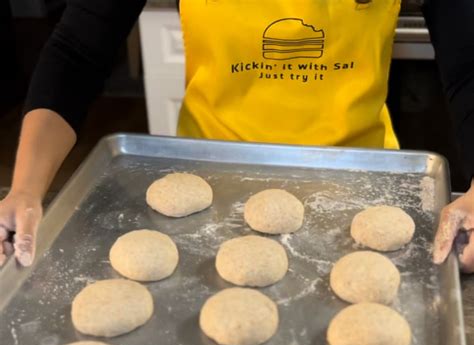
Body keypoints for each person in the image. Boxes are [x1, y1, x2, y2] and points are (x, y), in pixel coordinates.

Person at [0, 0, 473, 268]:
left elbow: (468, 63)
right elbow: (77, 51)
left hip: (360, 181)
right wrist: (24, 189)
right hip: (206, 190)